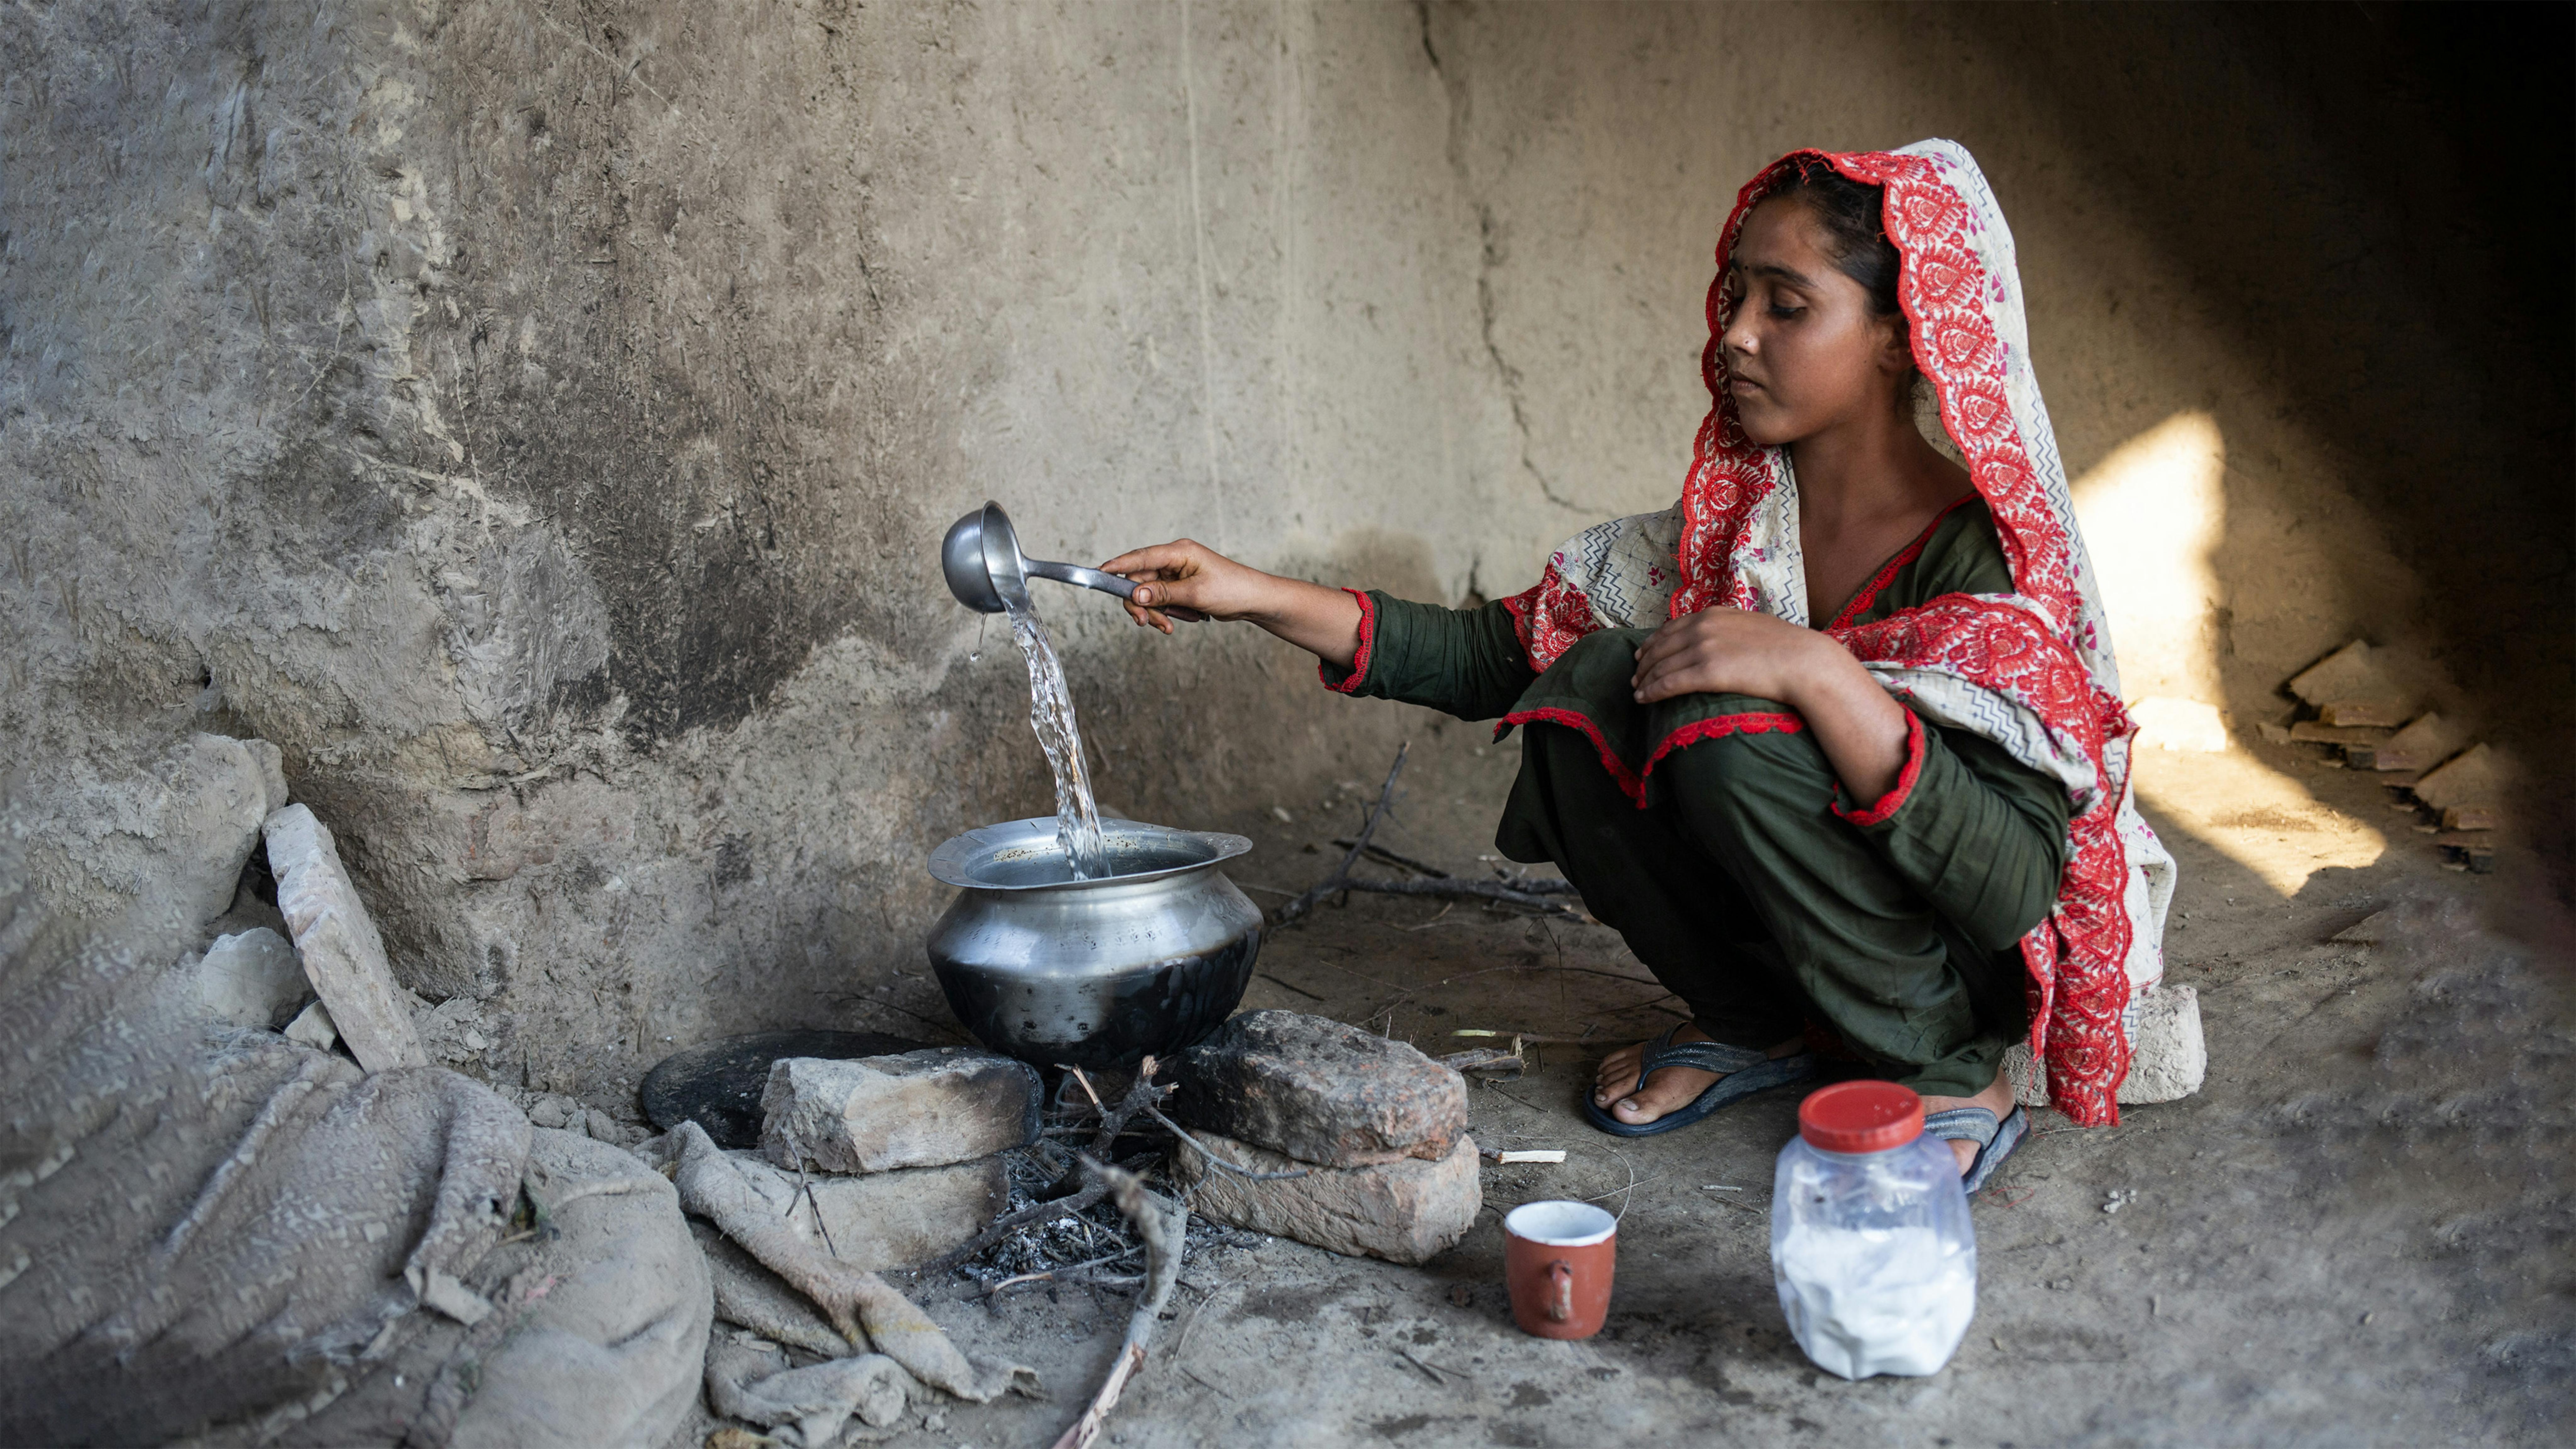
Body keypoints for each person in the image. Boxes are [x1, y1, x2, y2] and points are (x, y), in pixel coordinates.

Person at [1100, 142, 2173, 1187]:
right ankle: (1762, 1027)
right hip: (1819, 929)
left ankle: (1945, 1072)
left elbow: (2012, 888)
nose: (1738, 337)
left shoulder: (1988, 566)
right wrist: (1252, 593)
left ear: (1902, 335)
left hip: (1959, 965)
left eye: (1786, 306)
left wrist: (1824, 677)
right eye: (1736, 297)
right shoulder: (1736, 530)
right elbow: (1500, 655)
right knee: (1594, 689)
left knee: (1721, 713)